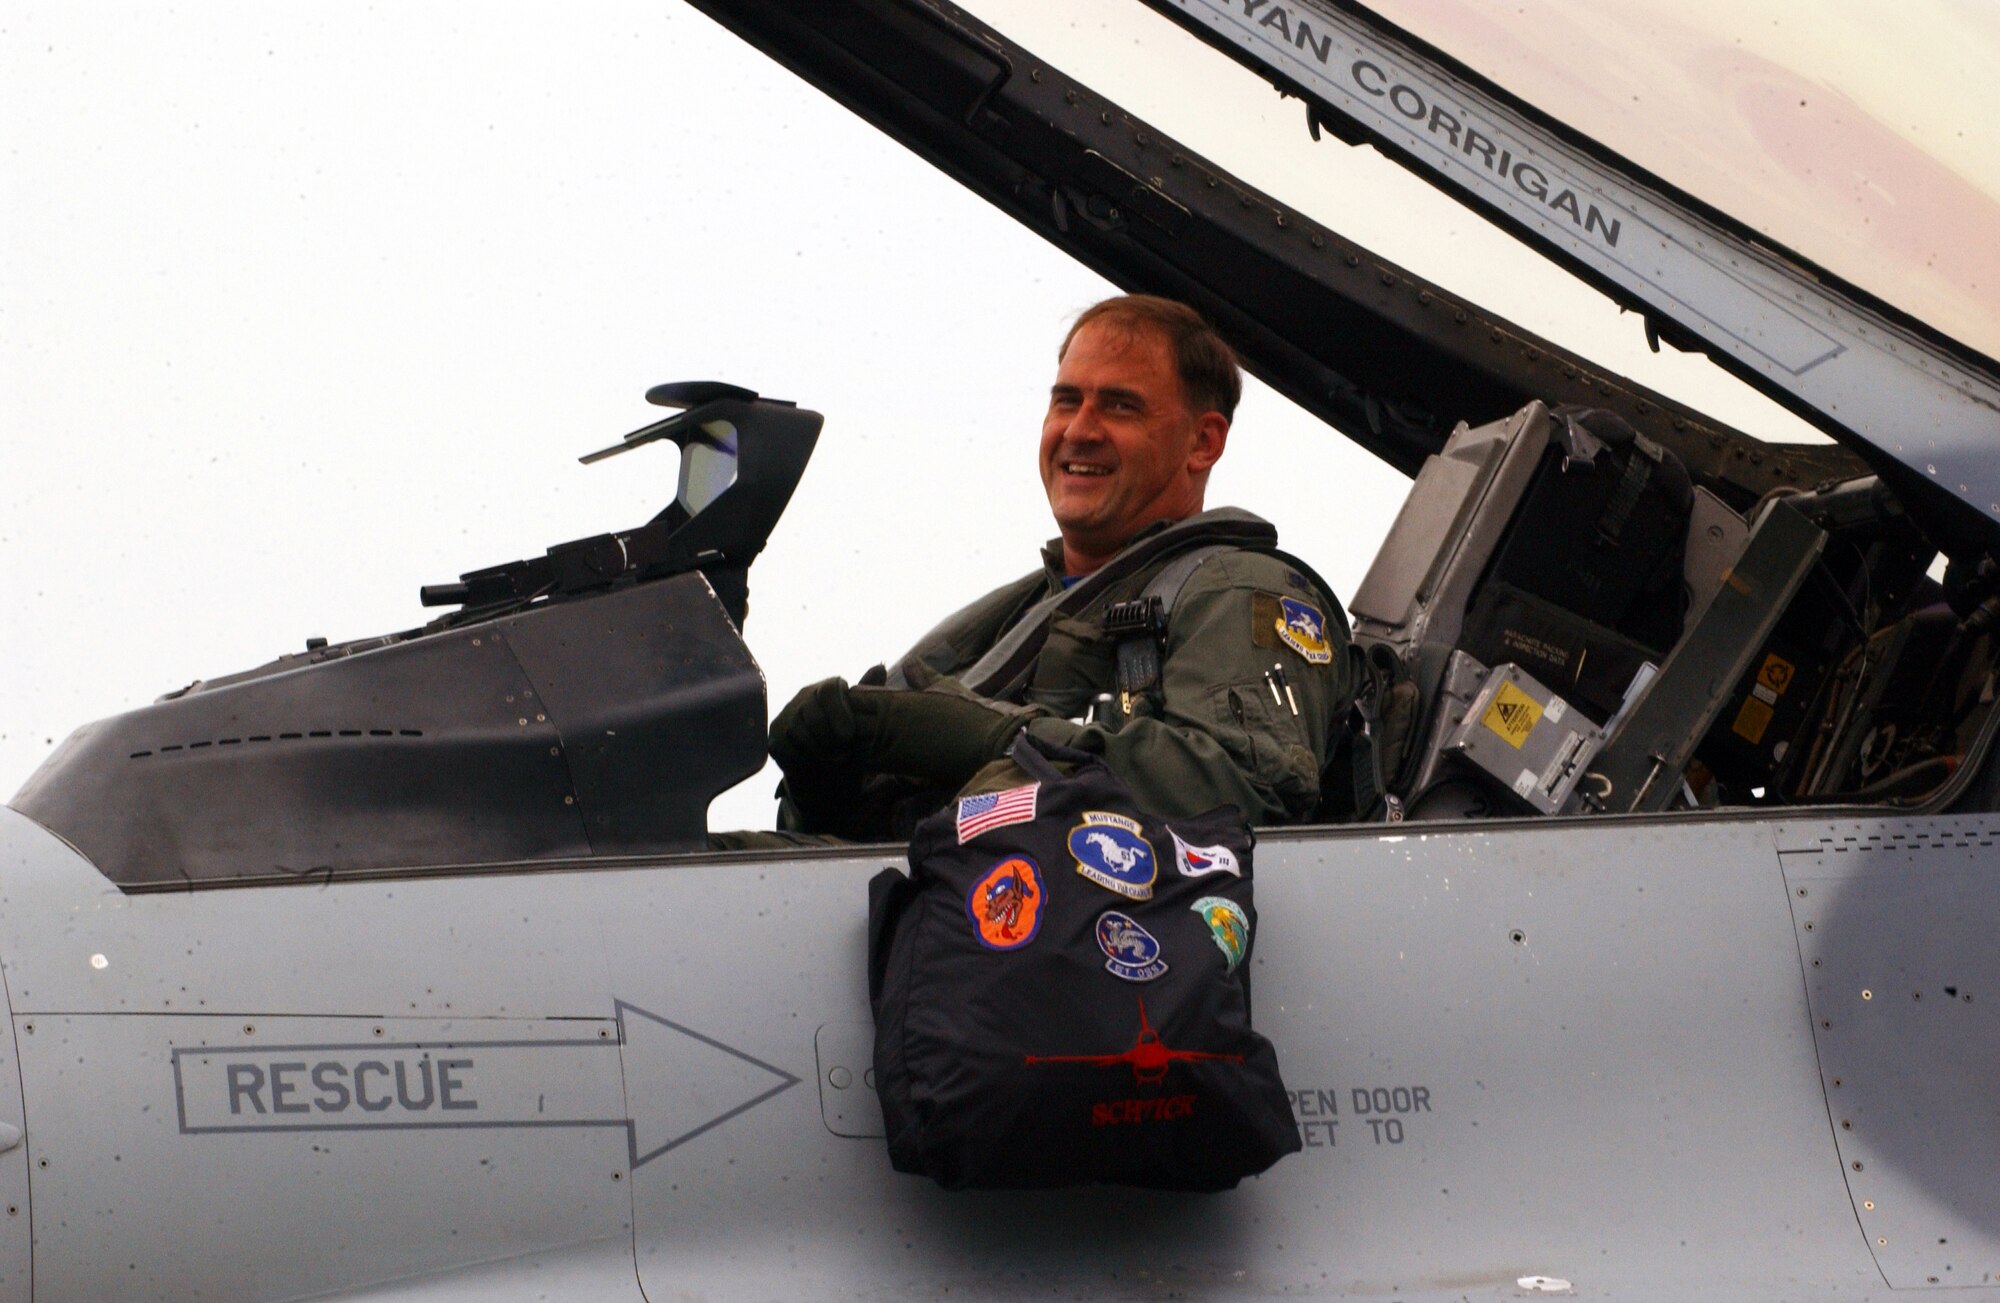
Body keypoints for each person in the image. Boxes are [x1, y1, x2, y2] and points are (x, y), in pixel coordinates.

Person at [754, 294, 1354, 844]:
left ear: (1203, 442)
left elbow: (1250, 789)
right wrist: (819, 785)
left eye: (1120, 406)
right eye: (1067, 401)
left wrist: (996, 738)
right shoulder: (1006, 623)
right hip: (918, 914)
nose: (1079, 429)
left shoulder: (1236, 592)